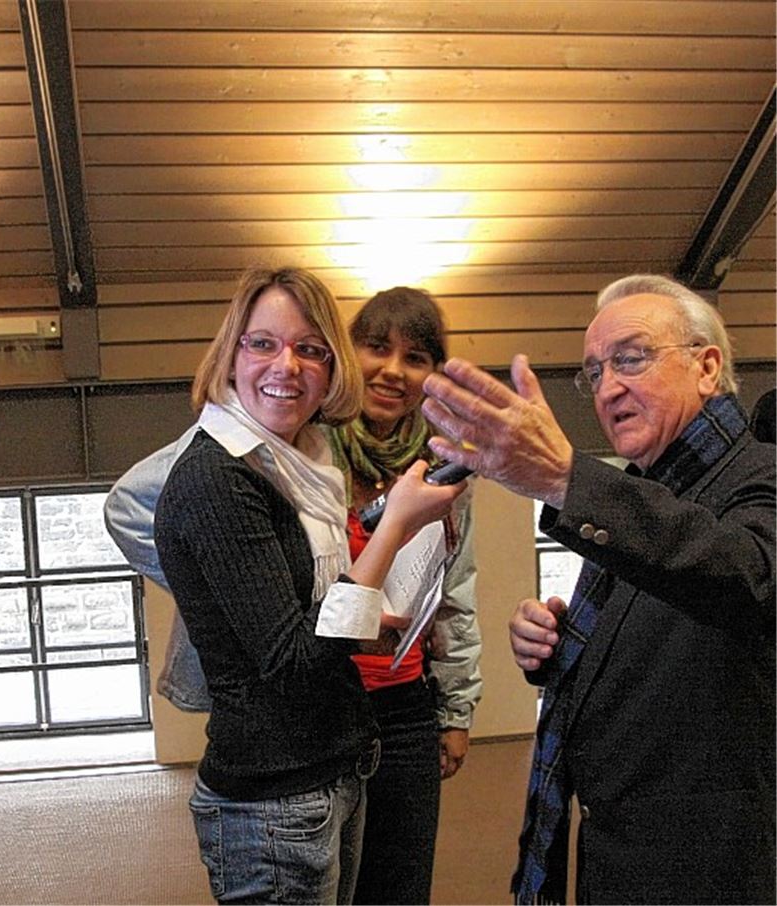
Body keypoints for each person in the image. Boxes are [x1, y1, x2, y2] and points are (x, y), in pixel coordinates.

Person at [110, 267, 465, 904]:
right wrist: (218, 588)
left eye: (309, 349)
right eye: (263, 343)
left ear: (331, 368)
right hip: (275, 790)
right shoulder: (223, 475)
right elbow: (295, 662)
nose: (287, 366)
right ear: (231, 353)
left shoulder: (304, 459)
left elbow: (320, 618)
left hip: (329, 767)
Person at [418, 273, 775, 904]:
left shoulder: (758, 474)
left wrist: (565, 479)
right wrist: (556, 652)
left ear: (707, 367)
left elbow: (743, 576)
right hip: (628, 851)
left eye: (630, 358)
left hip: (719, 862)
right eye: (595, 371)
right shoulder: (651, 488)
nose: (608, 388)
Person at [327, 287, 482, 905]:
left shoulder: (443, 467)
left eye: (416, 357)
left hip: (406, 710)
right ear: (347, 351)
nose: (393, 370)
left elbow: (456, 594)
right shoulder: (305, 449)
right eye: (376, 347)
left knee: (399, 889)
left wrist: (456, 712)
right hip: (324, 702)